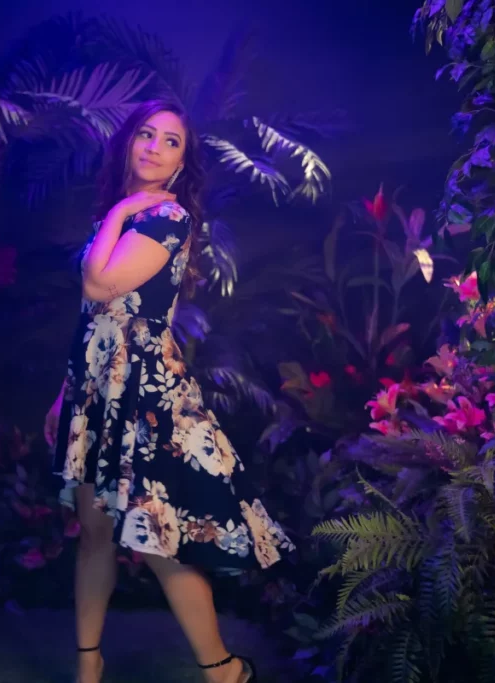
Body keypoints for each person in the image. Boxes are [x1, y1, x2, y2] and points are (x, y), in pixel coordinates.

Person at [43, 99, 295, 683]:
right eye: (146, 135)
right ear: (129, 142)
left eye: (171, 141)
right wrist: (65, 397)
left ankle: (221, 669)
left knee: (157, 540)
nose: (154, 147)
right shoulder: (125, 213)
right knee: (95, 532)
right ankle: (88, 669)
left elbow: (99, 283)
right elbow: (93, 321)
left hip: (145, 394)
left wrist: (124, 209)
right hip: (96, 388)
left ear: (183, 162)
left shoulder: (164, 217)